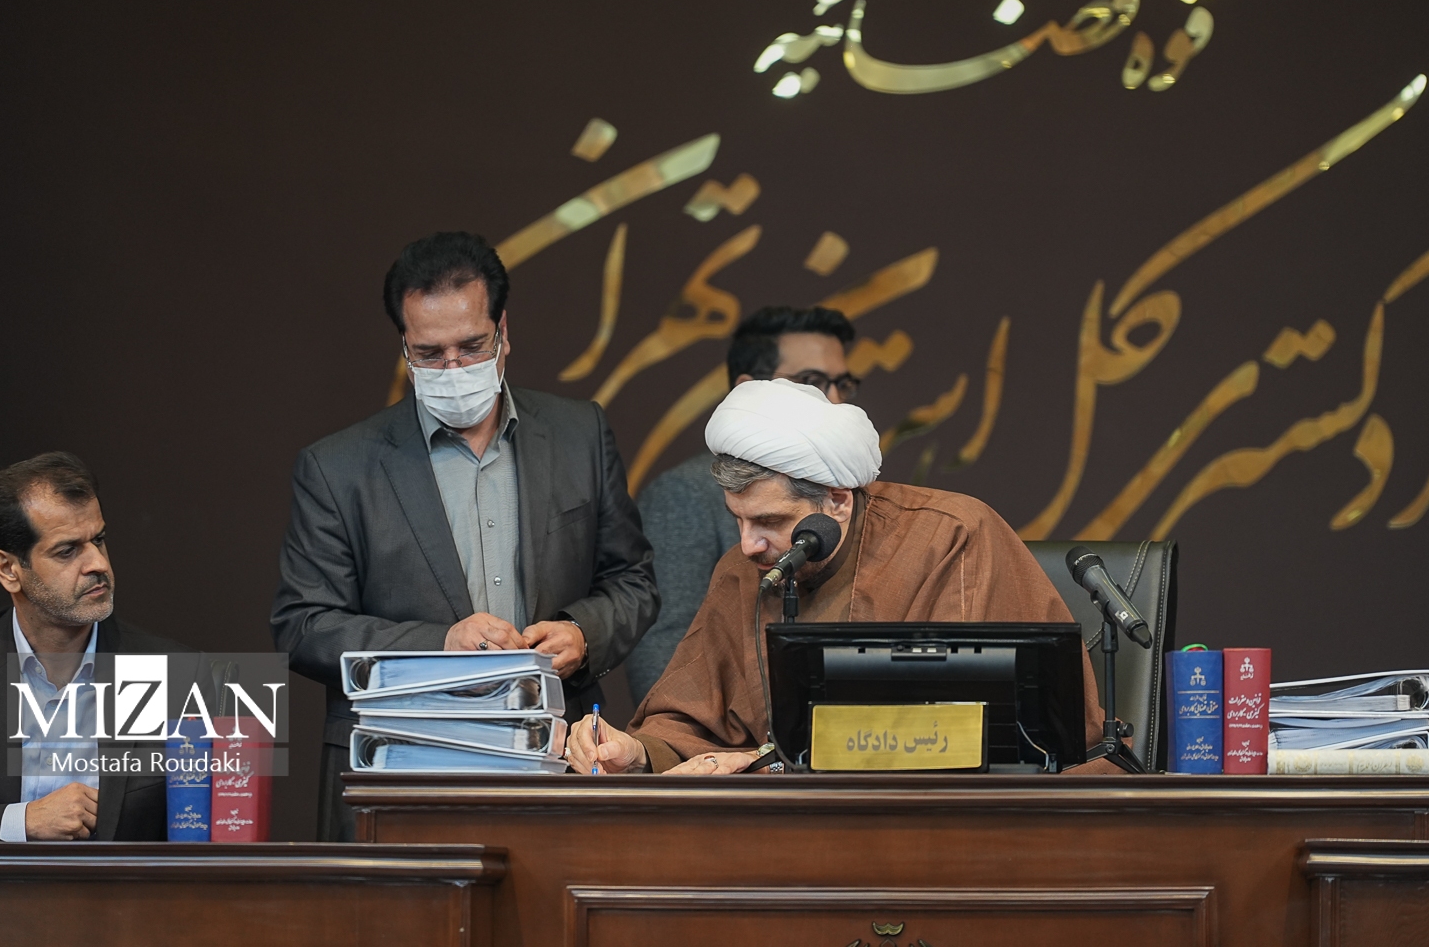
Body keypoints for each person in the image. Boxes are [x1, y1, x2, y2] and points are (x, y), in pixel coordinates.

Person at [271, 230, 658, 839]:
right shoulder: (338, 467)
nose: (453, 369)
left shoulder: (578, 434)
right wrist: (440, 644)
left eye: (472, 347)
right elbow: (303, 625)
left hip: (554, 754)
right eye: (429, 354)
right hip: (400, 764)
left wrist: (583, 631)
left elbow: (632, 580)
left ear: (503, 332)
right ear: (404, 347)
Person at [565, 379, 1107, 775]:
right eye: (738, 520)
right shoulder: (744, 572)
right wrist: (637, 752)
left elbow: (976, 727)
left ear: (838, 501)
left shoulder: (953, 538)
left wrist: (765, 762)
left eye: (770, 521)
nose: (749, 544)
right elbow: (691, 716)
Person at [0, 452, 192, 840]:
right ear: (8, 569)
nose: (98, 564)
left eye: (98, 540)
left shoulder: (178, 677)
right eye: (67, 551)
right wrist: (21, 822)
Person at [628, 306, 858, 702]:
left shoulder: (847, 485)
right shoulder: (685, 492)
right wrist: (677, 734)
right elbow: (665, 649)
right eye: (812, 382)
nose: (833, 400)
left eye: (842, 384)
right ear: (746, 388)